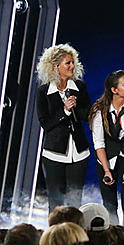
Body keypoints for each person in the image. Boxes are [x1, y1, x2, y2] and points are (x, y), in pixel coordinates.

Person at [35, 44, 92, 213]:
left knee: (75, 201)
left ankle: (75, 236)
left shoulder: (79, 87)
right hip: (54, 154)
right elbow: (45, 123)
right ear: (55, 66)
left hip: (79, 153)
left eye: (73, 62)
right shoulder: (43, 91)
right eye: (68, 63)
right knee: (56, 203)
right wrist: (65, 111)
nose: (72, 66)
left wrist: (76, 108)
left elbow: (87, 114)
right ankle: (55, 237)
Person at [88, 70, 124, 234]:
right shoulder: (99, 110)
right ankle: (113, 239)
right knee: (110, 205)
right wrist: (106, 170)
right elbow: (98, 143)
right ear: (114, 90)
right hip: (106, 160)